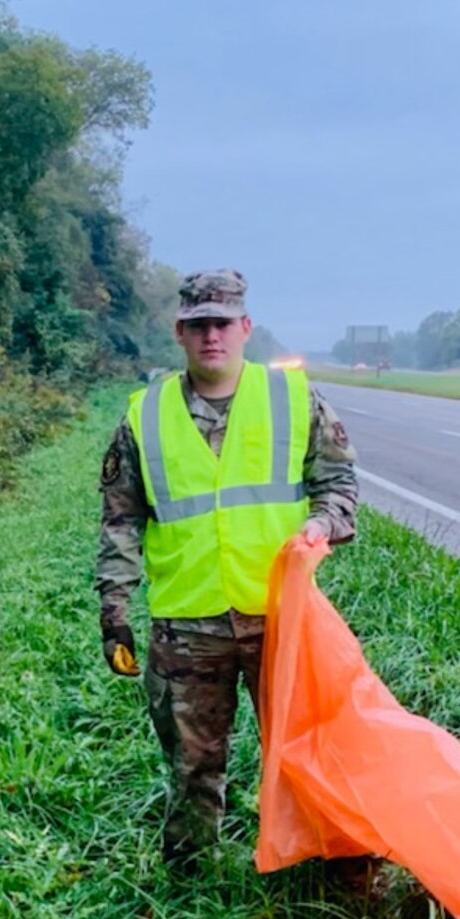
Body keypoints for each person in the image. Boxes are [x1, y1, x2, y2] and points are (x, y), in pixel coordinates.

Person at [96, 269, 358, 867]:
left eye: (222, 323)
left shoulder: (294, 399)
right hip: (187, 623)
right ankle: (192, 887)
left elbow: (339, 485)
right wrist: (115, 610)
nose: (211, 335)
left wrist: (321, 525)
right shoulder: (145, 415)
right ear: (179, 333)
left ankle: (321, 871)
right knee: (191, 766)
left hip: (280, 620)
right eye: (198, 326)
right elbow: (120, 520)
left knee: (303, 751)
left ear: (245, 328)